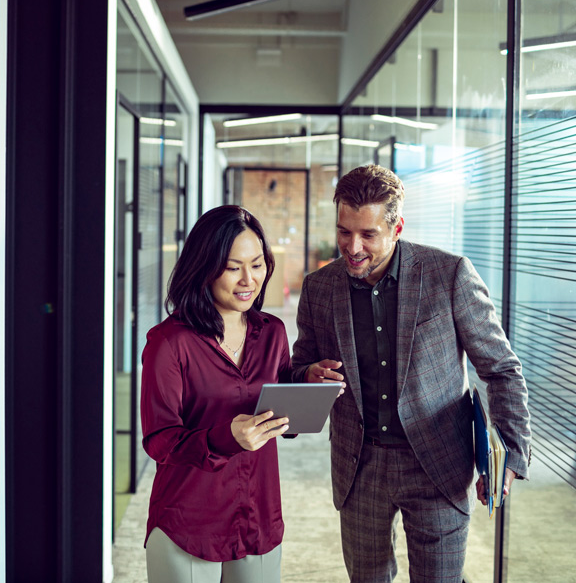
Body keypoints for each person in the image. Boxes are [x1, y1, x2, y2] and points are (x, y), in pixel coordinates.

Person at [291, 165, 531, 583]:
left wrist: (510, 450)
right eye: (344, 231)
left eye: (368, 234)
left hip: (438, 463)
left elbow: (501, 368)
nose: (352, 246)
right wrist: (308, 374)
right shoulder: (319, 288)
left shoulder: (450, 274)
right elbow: (298, 367)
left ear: (397, 226)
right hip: (358, 463)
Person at [140, 205, 292, 583]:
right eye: (231, 266)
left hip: (258, 516)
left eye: (257, 265)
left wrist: (310, 385)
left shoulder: (272, 332)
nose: (248, 280)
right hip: (190, 522)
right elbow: (160, 440)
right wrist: (226, 437)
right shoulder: (169, 342)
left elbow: (282, 414)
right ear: (203, 267)